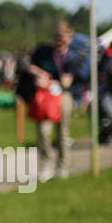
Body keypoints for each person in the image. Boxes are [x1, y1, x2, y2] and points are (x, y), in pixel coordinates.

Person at [28, 22, 89, 180]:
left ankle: (63, 166)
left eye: (62, 38)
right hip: (44, 97)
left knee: (62, 133)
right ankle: (45, 164)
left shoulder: (73, 57)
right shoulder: (44, 52)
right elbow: (30, 66)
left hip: (62, 96)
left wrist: (48, 81)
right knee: (43, 131)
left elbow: (66, 82)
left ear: (69, 38)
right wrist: (40, 74)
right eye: (57, 37)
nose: (59, 41)